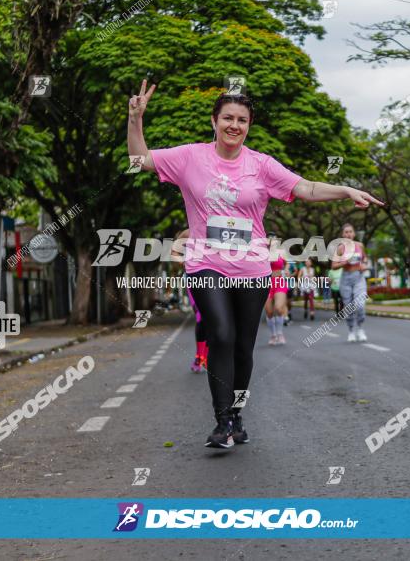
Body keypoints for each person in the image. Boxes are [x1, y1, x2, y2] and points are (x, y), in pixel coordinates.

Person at [127, 80, 383, 448]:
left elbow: (306, 189)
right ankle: (220, 422)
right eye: (227, 117)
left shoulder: (261, 165)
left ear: (249, 125)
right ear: (213, 121)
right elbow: (139, 160)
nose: (235, 125)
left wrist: (345, 190)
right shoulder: (189, 157)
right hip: (206, 264)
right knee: (222, 335)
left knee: (244, 347)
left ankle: (236, 415)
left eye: (242, 120)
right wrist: (135, 119)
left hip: (252, 269)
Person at [175, 229, 208, 373]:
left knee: (212, 319)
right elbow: (174, 252)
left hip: (215, 280)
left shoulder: (217, 228)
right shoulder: (187, 233)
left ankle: (206, 357)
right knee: (201, 317)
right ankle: (199, 357)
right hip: (193, 279)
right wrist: (182, 262)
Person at [332, 223, 369, 342]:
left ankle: (360, 328)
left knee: (360, 305)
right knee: (348, 307)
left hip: (358, 277)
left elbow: (365, 259)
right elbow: (333, 266)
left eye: (350, 231)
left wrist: (364, 265)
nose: (348, 234)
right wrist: (344, 262)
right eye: (346, 232)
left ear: (354, 234)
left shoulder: (360, 245)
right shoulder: (340, 248)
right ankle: (351, 330)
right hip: (346, 279)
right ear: (343, 235)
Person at [264, 241, 289, 345]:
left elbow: (287, 263)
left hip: (279, 282)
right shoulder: (261, 252)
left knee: (279, 308)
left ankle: (280, 333)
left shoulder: (280, 252)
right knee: (269, 312)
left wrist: (286, 270)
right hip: (266, 284)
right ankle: (273, 335)